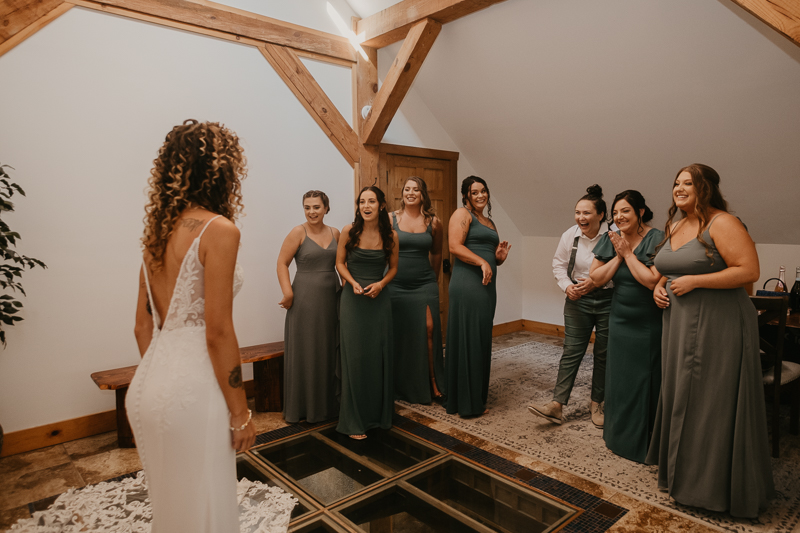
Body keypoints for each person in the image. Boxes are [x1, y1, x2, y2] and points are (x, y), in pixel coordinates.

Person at [129, 119, 293, 531]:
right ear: (221, 171)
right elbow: (217, 330)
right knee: (205, 500)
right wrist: (241, 414)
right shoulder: (219, 230)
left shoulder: (156, 232)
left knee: (173, 503)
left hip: (149, 385)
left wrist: (161, 376)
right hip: (194, 390)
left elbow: (141, 328)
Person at [646, 164, 774, 517]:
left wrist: (696, 282)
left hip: (719, 323)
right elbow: (669, 267)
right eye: (676, 183)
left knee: (709, 403)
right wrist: (660, 286)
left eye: (688, 183)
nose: (679, 188)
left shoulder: (723, 223)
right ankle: (682, 478)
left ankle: (713, 489)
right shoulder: (675, 224)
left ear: (706, 188)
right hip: (679, 322)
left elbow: (749, 272)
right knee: (682, 396)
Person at [528, 185, 612, 428]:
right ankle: (557, 405)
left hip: (608, 299)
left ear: (600, 215)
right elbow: (558, 264)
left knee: (603, 354)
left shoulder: (613, 234)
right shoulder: (570, 235)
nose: (580, 218)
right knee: (571, 352)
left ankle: (597, 403)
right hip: (577, 301)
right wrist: (567, 287)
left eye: (586, 213)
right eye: (577, 212)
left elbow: (622, 264)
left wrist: (597, 282)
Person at [590, 190, 663, 463]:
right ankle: (617, 436)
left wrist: (628, 254)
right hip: (619, 317)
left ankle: (643, 442)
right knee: (619, 377)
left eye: (626, 211)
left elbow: (651, 280)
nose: (619, 217)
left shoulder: (657, 238)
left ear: (640, 211)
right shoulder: (613, 240)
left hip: (647, 321)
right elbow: (596, 278)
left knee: (644, 377)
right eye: (616, 212)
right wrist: (618, 257)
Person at [445, 176, 511, 417]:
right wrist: (483, 261)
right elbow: (454, 246)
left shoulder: (489, 221)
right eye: (475, 192)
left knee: (480, 338)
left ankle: (474, 396)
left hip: (485, 286)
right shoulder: (462, 215)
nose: (481, 195)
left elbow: (489, 255)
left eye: (483, 191)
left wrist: (498, 258)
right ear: (466, 196)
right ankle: (467, 402)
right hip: (467, 283)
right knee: (469, 338)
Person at [336, 186, 399, 439]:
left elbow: (393, 269)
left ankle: (379, 417)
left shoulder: (391, 235)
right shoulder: (348, 231)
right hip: (352, 300)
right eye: (362, 201)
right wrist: (352, 283)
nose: (366, 206)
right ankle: (354, 421)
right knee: (355, 358)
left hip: (379, 301)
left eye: (371, 201)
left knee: (377, 357)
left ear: (381, 205)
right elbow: (339, 263)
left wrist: (381, 284)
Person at [277, 190, 340, 423]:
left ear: (326, 208)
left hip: (332, 298)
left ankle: (329, 406)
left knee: (328, 349)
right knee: (307, 350)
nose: (312, 211)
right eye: (307, 207)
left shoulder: (336, 233)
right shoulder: (298, 232)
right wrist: (288, 292)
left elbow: (342, 264)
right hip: (304, 299)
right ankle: (303, 408)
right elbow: (282, 263)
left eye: (316, 207)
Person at [388, 177, 444, 404]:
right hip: (395, 284)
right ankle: (400, 384)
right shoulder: (390, 218)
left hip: (424, 284)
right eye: (407, 189)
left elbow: (437, 253)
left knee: (429, 329)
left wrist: (433, 278)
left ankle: (432, 382)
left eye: (416, 189)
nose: (410, 193)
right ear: (402, 193)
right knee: (399, 334)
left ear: (423, 194)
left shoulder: (434, 222)